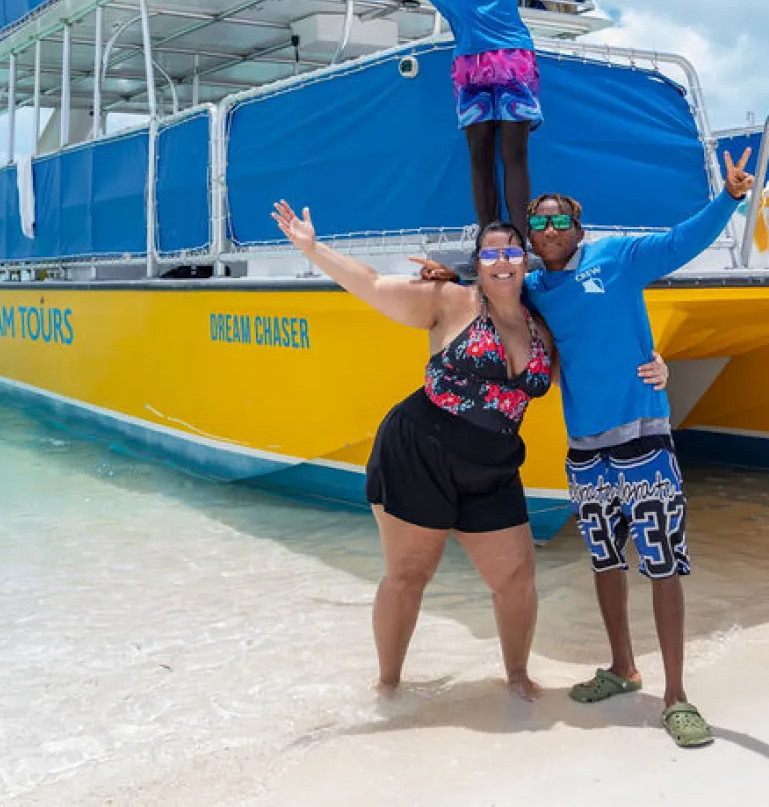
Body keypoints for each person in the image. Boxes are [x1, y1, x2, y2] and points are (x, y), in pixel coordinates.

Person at [270, 200, 667, 701]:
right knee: (409, 575)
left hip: (494, 464)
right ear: (477, 263)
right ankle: (387, 687)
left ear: (525, 261)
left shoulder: (542, 325)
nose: (503, 261)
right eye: (491, 254)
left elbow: (596, 360)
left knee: (517, 577)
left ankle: (517, 676)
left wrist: (657, 366)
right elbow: (370, 284)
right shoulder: (449, 301)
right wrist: (312, 248)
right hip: (420, 451)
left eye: (512, 253)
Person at [522, 148, 754, 748]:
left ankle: (676, 696)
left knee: (664, 564)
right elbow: (486, 293)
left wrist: (728, 197)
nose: (549, 230)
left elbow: (682, 242)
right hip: (585, 452)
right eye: (538, 223)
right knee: (604, 562)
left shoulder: (616, 257)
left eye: (559, 220)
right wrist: (446, 277)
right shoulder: (533, 289)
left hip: (644, 441)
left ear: (578, 227)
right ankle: (623, 668)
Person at [286, 0, 649, 239]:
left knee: (514, 154)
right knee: (479, 158)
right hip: (469, 68)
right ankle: (490, 239)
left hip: (512, 59)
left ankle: (520, 242)